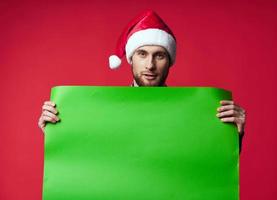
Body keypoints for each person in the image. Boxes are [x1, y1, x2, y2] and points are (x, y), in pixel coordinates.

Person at [38, 10, 246, 149]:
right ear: (130, 58)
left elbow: (207, 165)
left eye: (160, 55)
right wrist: (56, 130)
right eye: (142, 54)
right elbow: (85, 156)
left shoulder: (195, 113)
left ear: (170, 61)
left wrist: (232, 136)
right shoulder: (102, 110)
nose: (150, 65)